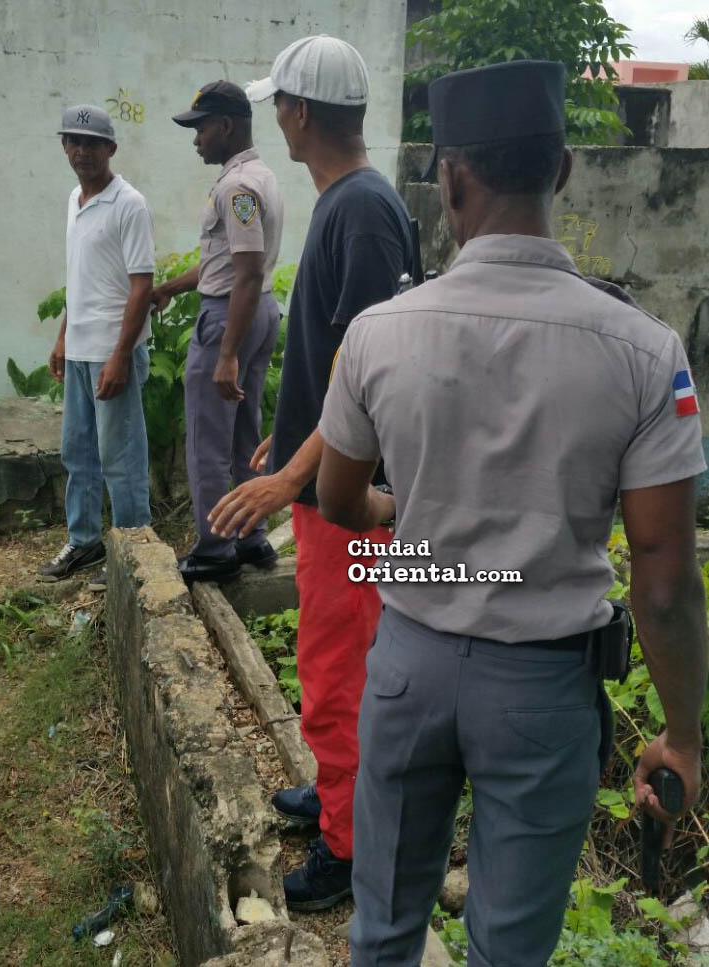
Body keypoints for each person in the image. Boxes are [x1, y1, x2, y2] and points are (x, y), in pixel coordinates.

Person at [316, 60, 708, 966]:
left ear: (449, 178)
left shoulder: (379, 330)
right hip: (542, 691)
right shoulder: (645, 352)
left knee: (380, 930)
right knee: (508, 951)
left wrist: (404, 505)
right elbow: (662, 578)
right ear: (561, 170)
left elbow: (338, 499)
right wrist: (683, 732)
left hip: (408, 668)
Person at [208, 36, 413, 910]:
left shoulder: (360, 210)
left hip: (351, 502)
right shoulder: (346, 204)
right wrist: (288, 438)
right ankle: (334, 799)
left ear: (298, 112)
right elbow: (331, 359)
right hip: (332, 482)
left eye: (277, 106)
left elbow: (364, 381)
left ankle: (347, 845)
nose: (276, 119)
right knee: (328, 660)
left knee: (339, 669)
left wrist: (289, 476)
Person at [151, 82, 284, 583]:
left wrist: (226, 353)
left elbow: (244, 272)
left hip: (232, 317)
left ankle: (214, 548)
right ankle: (251, 537)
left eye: (200, 128)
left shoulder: (236, 188)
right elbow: (225, 266)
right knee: (244, 436)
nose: (196, 139)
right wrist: (169, 287)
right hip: (257, 311)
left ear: (226, 125)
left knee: (209, 438)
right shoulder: (260, 175)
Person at [39, 105, 154, 587]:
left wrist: (121, 356)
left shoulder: (129, 204)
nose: (81, 151)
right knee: (78, 452)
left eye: (92, 143)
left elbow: (142, 285)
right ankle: (84, 541)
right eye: (73, 141)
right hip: (82, 349)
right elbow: (80, 279)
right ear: (64, 146)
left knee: (120, 459)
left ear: (111, 148)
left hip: (113, 354)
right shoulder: (75, 199)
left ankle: (134, 552)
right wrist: (64, 336)